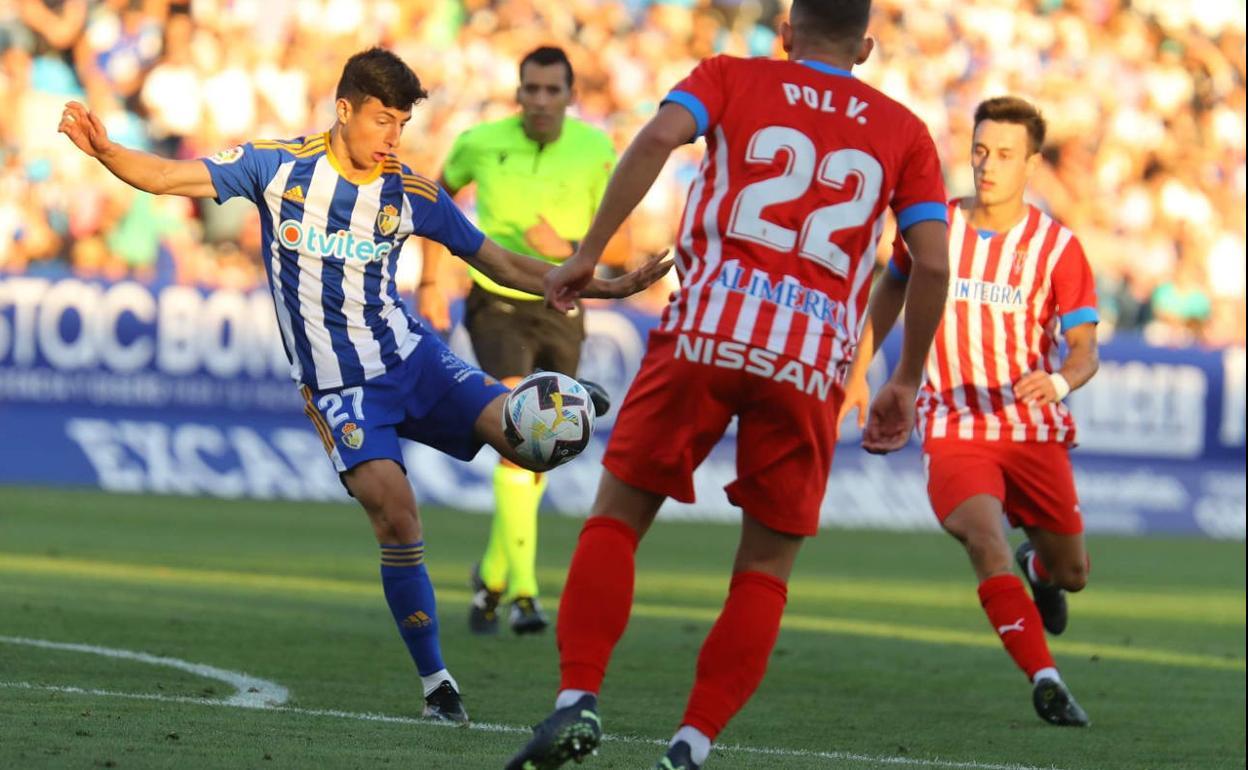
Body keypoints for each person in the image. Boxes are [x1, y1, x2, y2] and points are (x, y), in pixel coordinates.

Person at [57, 47, 670, 727]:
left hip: (412, 359)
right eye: (383, 120)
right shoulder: (277, 168)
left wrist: (597, 285)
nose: (393, 137)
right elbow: (169, 175)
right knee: (398, 519)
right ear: (344, 109)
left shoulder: (408, 192)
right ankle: (438, 684)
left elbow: (493, 259)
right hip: (339, 388)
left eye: (402, 124)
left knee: (526, 441)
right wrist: (107, 153)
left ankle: (565, 400)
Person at [506, 2, 951, 768]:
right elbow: (933, 261)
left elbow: (657, 138)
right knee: (764, 570)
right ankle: (691, 744)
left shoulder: (730, 76)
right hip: (810, 359)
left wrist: (588, 253)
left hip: (707, 329)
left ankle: (577, 700)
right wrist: (905, 378)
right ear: (866, 47)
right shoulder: (905, 131)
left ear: (787, 32)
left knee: (617, 520)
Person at [842, 96, 1099, 727]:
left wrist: (1059, 382)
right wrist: (858, 370)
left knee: (1072, 573)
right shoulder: (938, 227)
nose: (987, 165)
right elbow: (894, 283)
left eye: (1005, 155)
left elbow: (1084, 349)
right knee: (984, 539)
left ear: (1031, 165)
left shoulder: (1056, 247)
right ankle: (1046, 679)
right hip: (953, 422)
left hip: (1030, 426)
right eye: (981, 150)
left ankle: (1039, 567)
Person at [420, 46, 623, 637]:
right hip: (497, 301)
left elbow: (624, 241)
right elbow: (432, 199)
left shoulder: (597, 150)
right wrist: (431, 279)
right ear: (517, 92)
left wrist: (567, 249)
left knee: (540, 450)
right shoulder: (481, 142)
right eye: (530, 89)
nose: (539, 100)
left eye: (551, 90)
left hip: (562, 306)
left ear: (570, 96)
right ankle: (526, 595)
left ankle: (491, 576)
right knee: (521, 428)